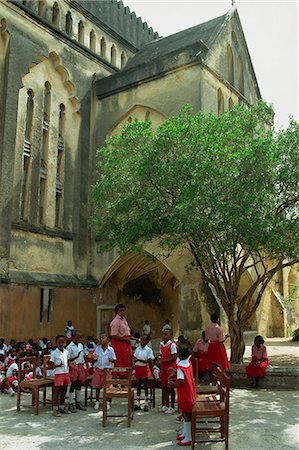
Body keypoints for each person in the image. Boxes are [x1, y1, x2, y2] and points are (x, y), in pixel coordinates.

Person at [168, 340, 196, 447]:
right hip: (190, 393)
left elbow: (181, 381)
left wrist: (172, 384)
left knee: (186, 415)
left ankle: (188, 437)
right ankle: (185, 434)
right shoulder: (188, 363)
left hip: (184, 395)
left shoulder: (180, 367)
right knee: (186, 415)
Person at [92, 333, 116, 410]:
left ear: (107, 340)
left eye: (103, 338)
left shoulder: (111, 349)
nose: (101, 340)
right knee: (97, 387)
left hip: (107, 370)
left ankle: (107, 402)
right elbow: (94, 357)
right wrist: (94, 358)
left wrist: (111, 360)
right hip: (99, 369)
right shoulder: (97, 348)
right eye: (100, 338)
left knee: (107, 387)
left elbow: (114, 359)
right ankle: (97, 401)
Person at [49, 335, 71, 417]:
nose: (61, 344)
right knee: (57, 391)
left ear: (65, 343)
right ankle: (55, 409)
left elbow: (67, 361)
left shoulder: (66, 352)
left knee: (64, 390)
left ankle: (62, 406)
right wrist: (57, 365)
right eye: (59, 342)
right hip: (59, 374)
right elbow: (50, 365)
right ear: (56, 343)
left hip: (66, 373)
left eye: (63, 342)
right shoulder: (54, 353)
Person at [205, 313, 230, 382]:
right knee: (220, 362)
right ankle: (220, 379)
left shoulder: (208, 329)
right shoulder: (219, 329)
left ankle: (211, 380)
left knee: (211, 362)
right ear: (217, 319)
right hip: (218, 347)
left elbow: (206, 339)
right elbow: (221, 340)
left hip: (211, 346)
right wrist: (226, 337)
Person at [133, 334, 154, 412]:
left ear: (147, 341)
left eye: (144, 340)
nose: (142, 341)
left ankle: (146, 403)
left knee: (145, 385)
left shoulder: (148, 350)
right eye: (141, 340)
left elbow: (150, 361)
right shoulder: (137, 349)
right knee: (138, 385)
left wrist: (139, 360)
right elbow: (135, 358)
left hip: (144, 368)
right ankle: (137, 403)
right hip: (138, 368)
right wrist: (135, 360)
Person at [67, 331, 86, 412]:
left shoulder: (81, 345)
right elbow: (68, 359)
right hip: (74, 366)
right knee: (73, 384)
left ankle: (78, 402)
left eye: (80, 337)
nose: (79, 339)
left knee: (79, 383)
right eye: (78, 337)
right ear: (73, 338)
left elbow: (83, 355)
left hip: (80, 366)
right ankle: (70, 403)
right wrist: (76, 357)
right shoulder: (69, 347)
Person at [110, 304, 132, 371]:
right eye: (121, 311)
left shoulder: (124, 320)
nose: (123, 312)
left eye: (123, 310)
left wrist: (133, 338)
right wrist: (125, 339)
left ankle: (126, 376)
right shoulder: (115, 321)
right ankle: (120, 376)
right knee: (120, 360)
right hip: (119, 343)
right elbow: (113, 335)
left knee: (127, 359)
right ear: (117, 312)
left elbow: (126, 332)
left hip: (126, 343)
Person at [159, 328, 177, 413]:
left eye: (166, 334)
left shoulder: (172, 345)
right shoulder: (161, 345)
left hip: (170, 368)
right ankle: (165, 404)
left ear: (170, 336)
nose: (164, 336)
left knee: (171, 387)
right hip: (163, 368)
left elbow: (174, 357)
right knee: (164, 387)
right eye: (163, 334)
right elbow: (161, 355)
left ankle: (172, 406)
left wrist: (163, 361)